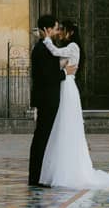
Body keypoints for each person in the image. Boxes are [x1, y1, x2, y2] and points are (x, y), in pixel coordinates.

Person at [38, 20, 109, 190]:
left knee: (67, 124)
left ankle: (70, 170)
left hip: (68, 87)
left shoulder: (73, 46)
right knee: (63, 125)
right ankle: (63, 166)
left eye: (62, 30)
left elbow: (56, 52)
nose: (60, 33)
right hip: (64, 85)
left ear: (70, 32)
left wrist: (47, 39)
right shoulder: (70, 47)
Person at [28, 13, 73, 188]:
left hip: (47, 98)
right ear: (47, 30)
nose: (56, 31)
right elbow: (47, 76)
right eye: (54, 28)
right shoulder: (42, 49)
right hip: (47, 99)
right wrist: (64, 72)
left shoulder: (44, 47)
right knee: (42, 137)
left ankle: (39, 175)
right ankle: (36, 177)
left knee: (44, 137)